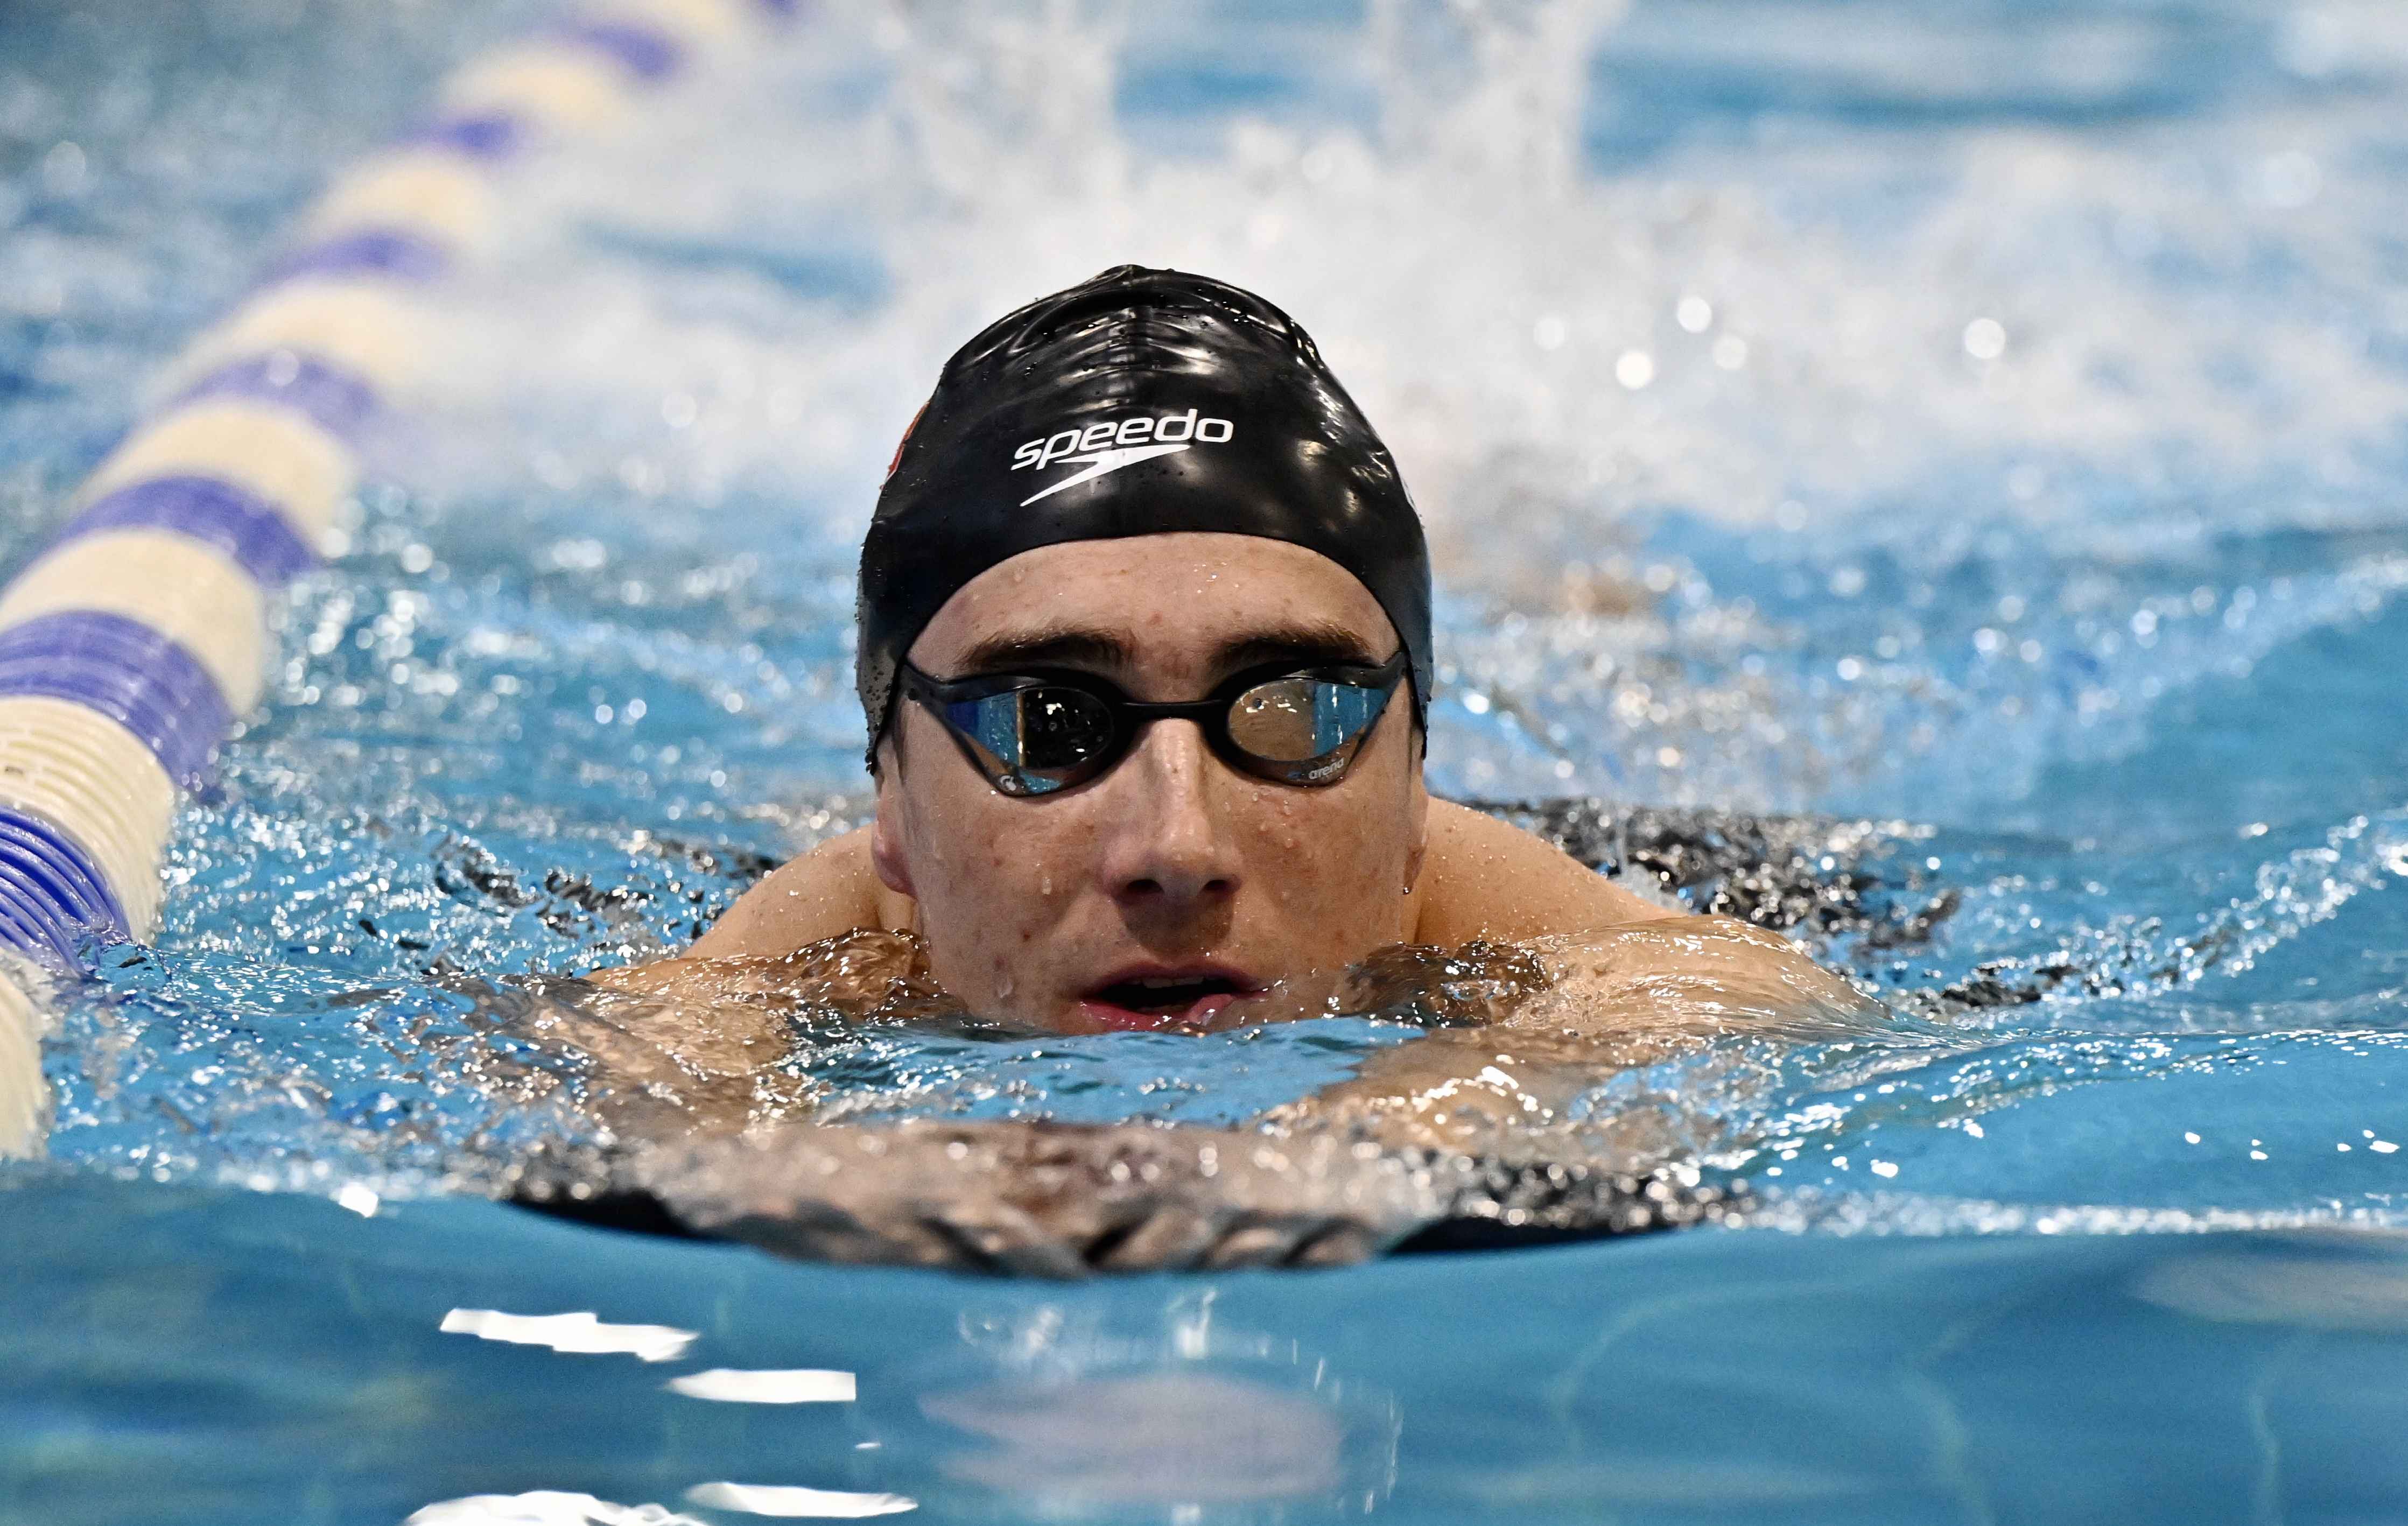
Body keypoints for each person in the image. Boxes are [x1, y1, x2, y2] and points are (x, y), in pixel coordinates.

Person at [595, 265, 1877, 1154]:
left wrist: (1424, 1113)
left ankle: (1569, 580)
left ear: (1419, 766)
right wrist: (848, 1175)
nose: (1176, 852)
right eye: (1049, 723)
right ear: (887, 799)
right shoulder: (831, 945)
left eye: (1292, 708)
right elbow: (631, 1072)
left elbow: (1760, 996)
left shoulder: (1493, 922)